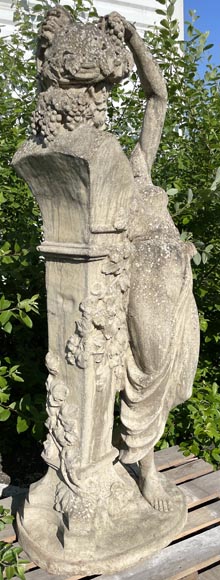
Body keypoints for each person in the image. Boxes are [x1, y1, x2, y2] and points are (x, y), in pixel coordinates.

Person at [104, 15, 200, 511]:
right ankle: (148, 472)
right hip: (142, 281)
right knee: (148, 374)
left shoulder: (139, 164)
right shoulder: (101, 182)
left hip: (176, 276)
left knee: (179, 379)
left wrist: (136, 40)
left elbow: (158, 98)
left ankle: (135, 458)